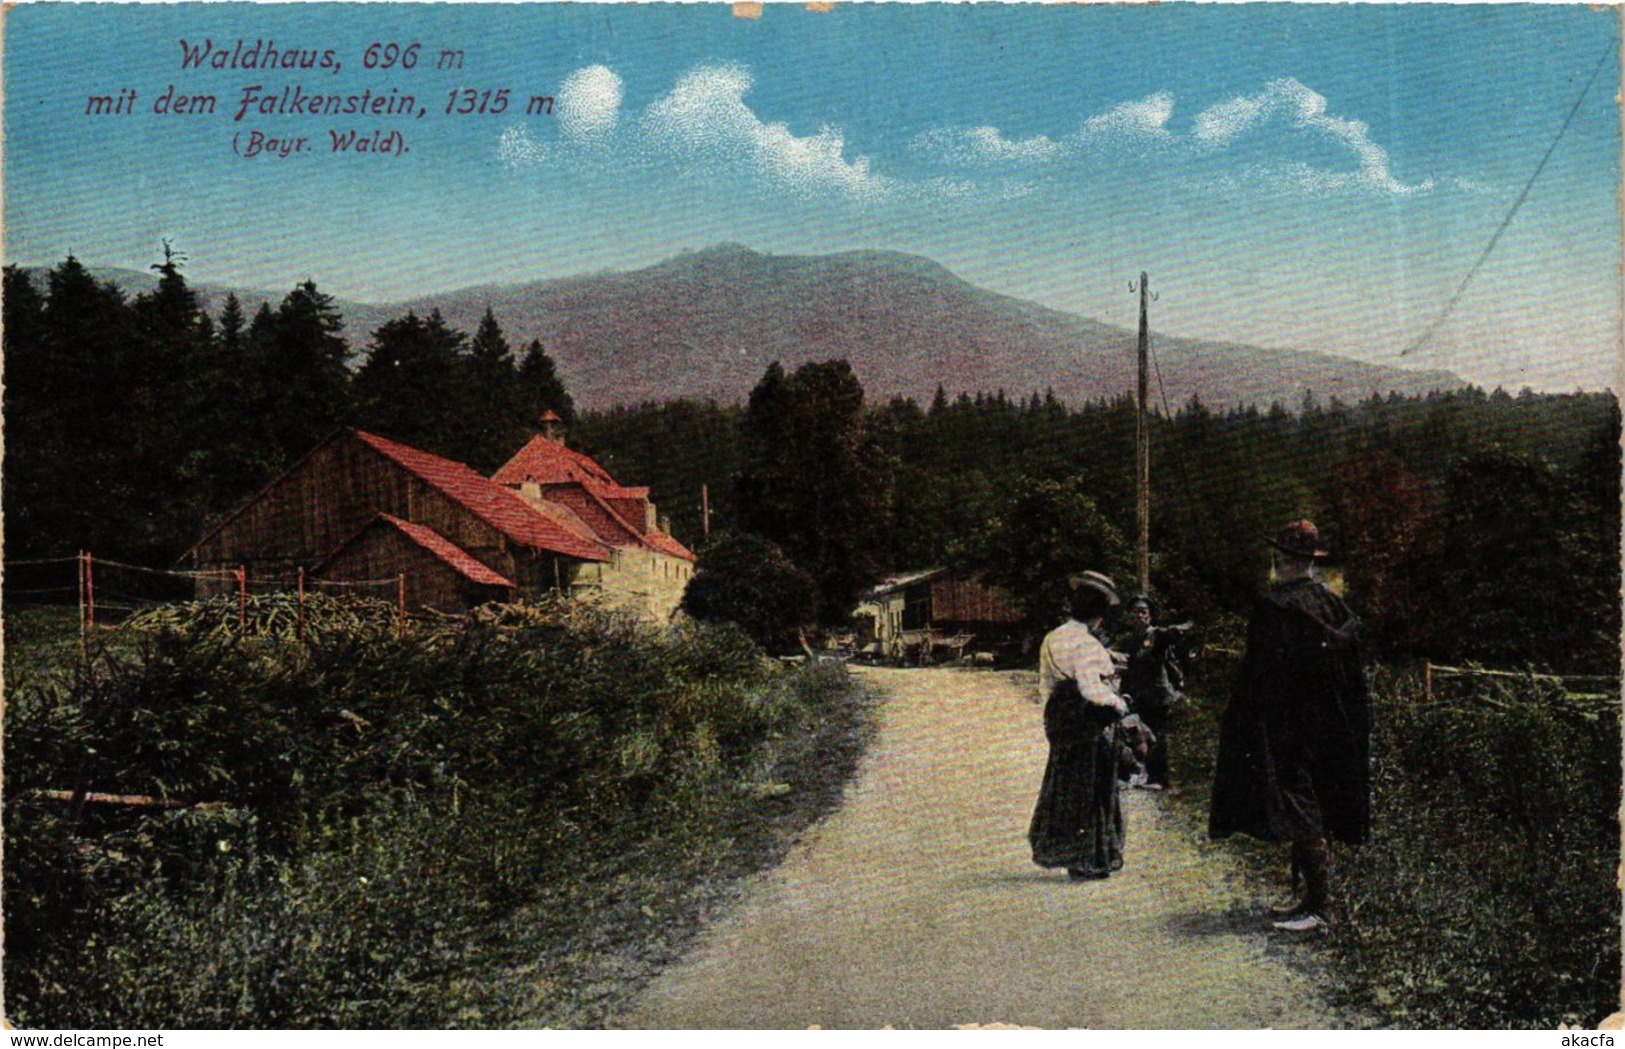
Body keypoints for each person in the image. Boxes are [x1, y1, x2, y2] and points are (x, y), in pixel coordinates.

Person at [1208, 520, 1372, 932]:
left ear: (1300, 561)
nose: (1280, 560)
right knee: (1309, 799)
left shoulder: (1278, 606)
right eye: (1281, 554)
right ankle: (1309, 901)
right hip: (1329, 720)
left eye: (1287, 555)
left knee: (1300, 804)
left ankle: (1321, 908)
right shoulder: (1331, 603)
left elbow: (1262, 672)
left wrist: (1248, 717)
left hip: (1289, 721)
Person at [1029, 571, 1133, 881]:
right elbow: (1091, 690)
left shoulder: (1054, 637)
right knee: (1093, 785)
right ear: (1098, 614)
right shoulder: (1087, 644)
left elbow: (1046, 685)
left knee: (1065, 785)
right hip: (1088, 719)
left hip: (1060, 718)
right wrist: (1119, 704)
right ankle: (1089, 858)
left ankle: (1067, 852)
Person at [1113, 594, 1193, 792]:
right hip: (1138, 695)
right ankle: (1142, 774)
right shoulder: (1130, 639)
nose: (1139, 616)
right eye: (1135, 612)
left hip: (1158, 695)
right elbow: (1112, 653)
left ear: (1150, 615)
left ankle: (1159, 778)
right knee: (1137, 734)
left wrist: (1185, 625)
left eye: (1143, 612)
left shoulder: (1157, 635)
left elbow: (1175, 632)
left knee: (1157, 736)